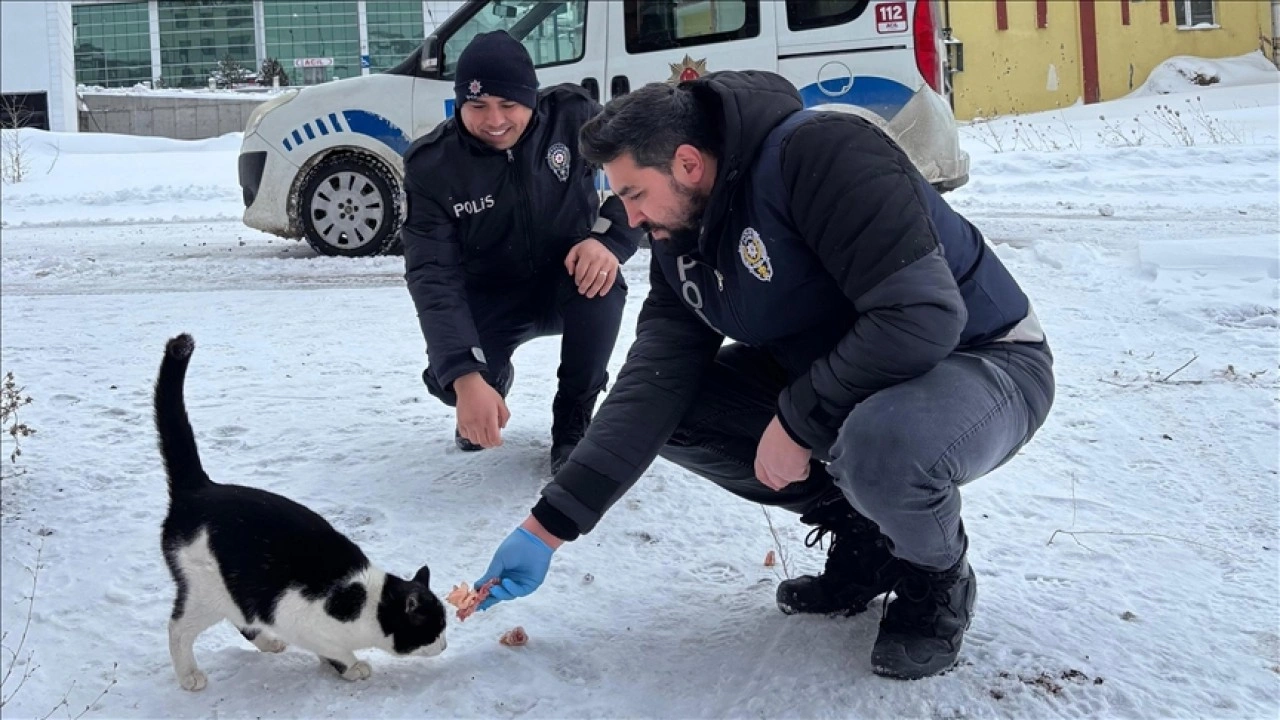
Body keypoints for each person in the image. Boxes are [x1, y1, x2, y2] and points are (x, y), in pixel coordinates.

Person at [471, 70, 1055, 680]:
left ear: (689, 163)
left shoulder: (821, 152)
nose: (631, 219)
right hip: (856, 377)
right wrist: (547, 528)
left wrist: (800, 420)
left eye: (634, 194)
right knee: (677, 410)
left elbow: (923, 316)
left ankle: (936, 578)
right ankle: (869, 539)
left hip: (983, 359)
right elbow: (654, 383)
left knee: (882, 445)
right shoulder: (683, 237)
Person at [401, 31, 642, 470]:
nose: (494, 120)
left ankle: (573, 417)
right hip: (492, 296)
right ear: (459, 104)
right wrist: (464, 376)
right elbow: (432, 275)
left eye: (508, 105)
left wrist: (609, 239)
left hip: (567, 276)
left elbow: (643, 175)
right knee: (448, 378)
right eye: (477, 106)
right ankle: (491, 382)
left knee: (603, 285)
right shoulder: (432, 166)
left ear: (531, 99)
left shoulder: (572, 118)